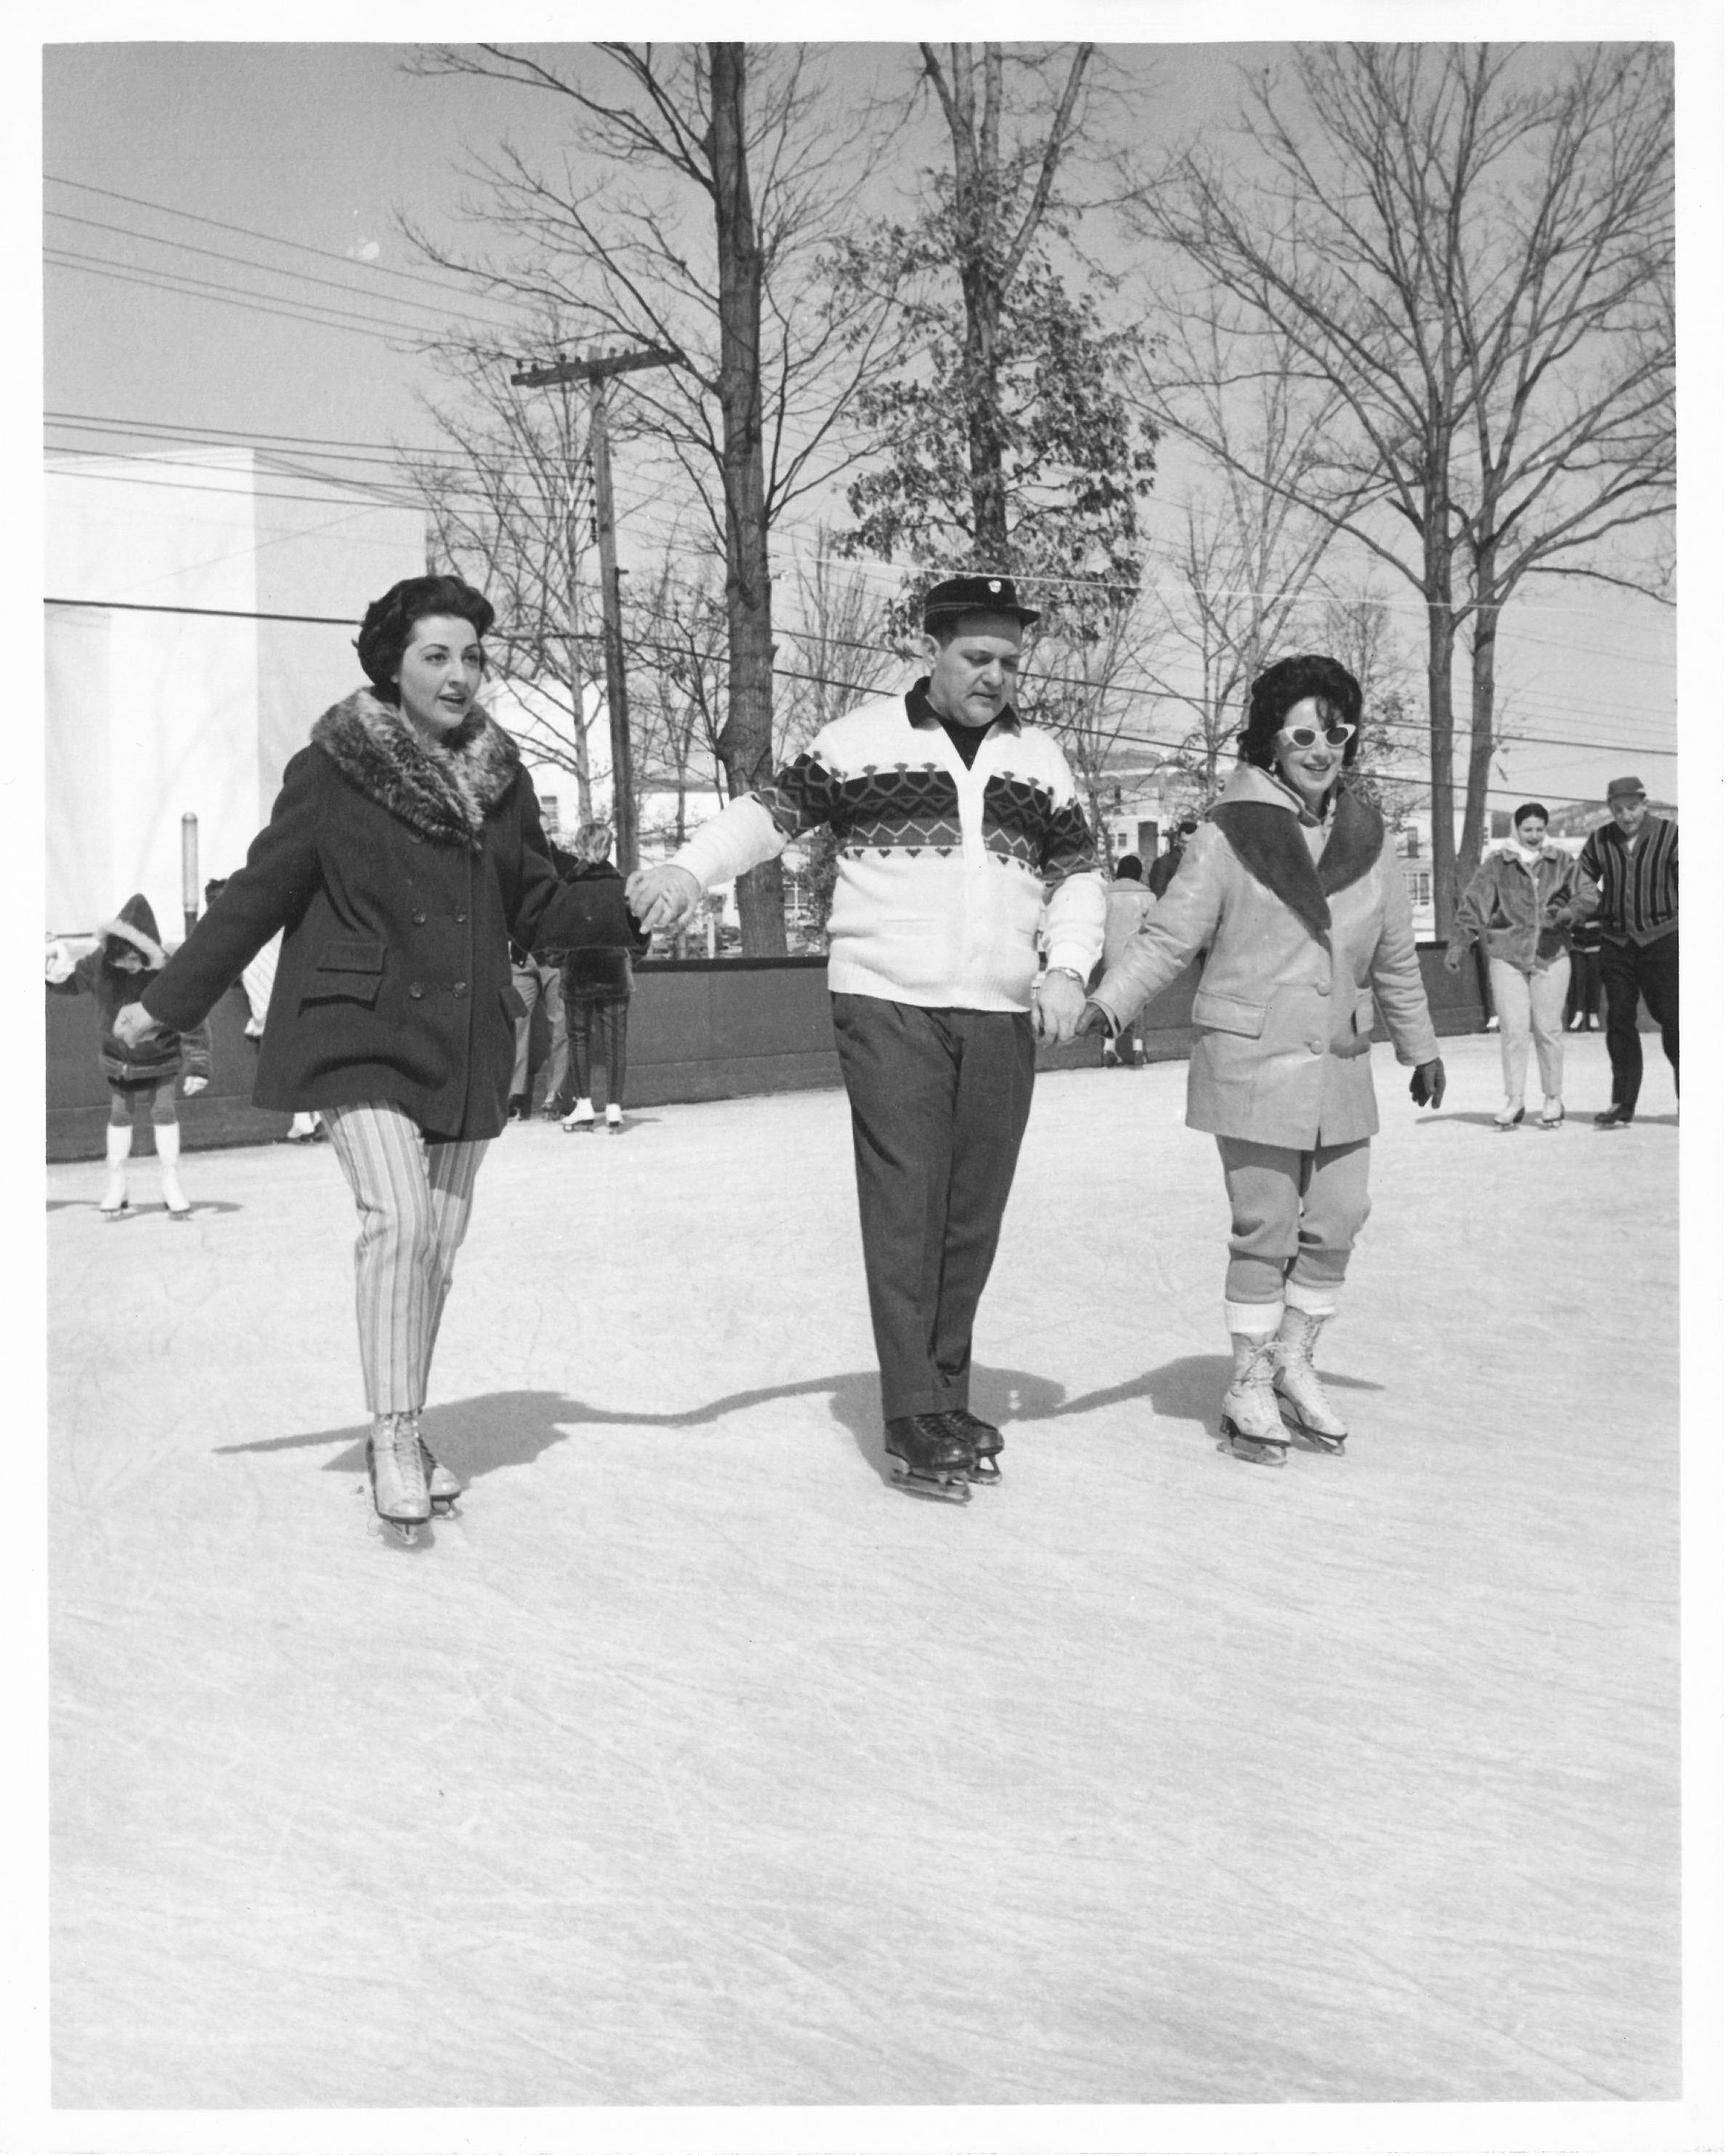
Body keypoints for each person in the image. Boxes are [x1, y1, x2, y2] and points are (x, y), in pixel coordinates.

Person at [113, 573, 591, 1541]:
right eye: (436, 656)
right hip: (356, 1026)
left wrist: (627, 907)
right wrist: (163, 1006)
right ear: (392, 664)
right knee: (399, 1219)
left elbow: (536, 899)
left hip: (465, 1034)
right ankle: (394, 1433)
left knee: (440, 1245)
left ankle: (406, 1430)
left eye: (472, 657)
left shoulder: (501, 777)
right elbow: (261, 890)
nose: (460, 676)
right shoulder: (335, 766)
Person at [628, 572, 1106, 1503]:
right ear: (932, 649)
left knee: (971, 1215)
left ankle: (946, 1396)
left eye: (1010, 660)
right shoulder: (856, 743)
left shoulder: (1041, 760)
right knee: (906, 1207)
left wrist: (1067, 965)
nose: (996, 675)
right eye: (977, 656)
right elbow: (765, 817)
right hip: (887, 1000)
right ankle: (908, 1412)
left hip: (1001, 1009)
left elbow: (1079, 872)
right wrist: (689, 873)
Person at [1073, 653, 1445, 1468]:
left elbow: (1393, 959)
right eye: (1303, 733)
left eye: (1335, 732)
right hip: (1251, 1057)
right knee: (1266, 1226)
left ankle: (1294, 1362)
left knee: (1339, 1217)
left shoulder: (1369, 838)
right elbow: (1170, 936)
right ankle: (1246, 1381)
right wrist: (1110, 1001)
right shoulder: (1226, 833)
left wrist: (1418, 1046)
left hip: (1339, 1056)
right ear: (1272, 740)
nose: (1321, 748)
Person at [46, 894, 211, 1218]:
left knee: (164, 1111)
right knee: (120, 1114)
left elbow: (192, 1015)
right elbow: (74, 983)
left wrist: (198, 1065)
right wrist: (51, 977)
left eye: (135, 962)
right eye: (122, 963)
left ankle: (170, 1181)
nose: (129, 968)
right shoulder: (99, 963)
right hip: (119, 1059)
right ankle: (117, 1183)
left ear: (148, 951)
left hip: (161, 1057)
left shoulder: (168, 969)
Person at [1443, 803, 1597, 1130]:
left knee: (1548, 1029)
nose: (1534, 836)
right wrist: (1460, 942)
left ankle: (1553, 1097)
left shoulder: (1562, 862)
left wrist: (1567, 914)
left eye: (1539, 829)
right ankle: (1514, 1099)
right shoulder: (1497, 864)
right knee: (1513, 1031)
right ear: (1516, 829)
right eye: (1527, 830)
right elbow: (1474, 905)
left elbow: (1588, 895)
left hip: (1551, 954)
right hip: (1507, 955)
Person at [1574, 776, 1678, 1128]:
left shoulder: (1670, 835)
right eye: (1618, 809)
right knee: (1619, 1020)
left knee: (1675, 1020)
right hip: (1617, 944)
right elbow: (1581, 879)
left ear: (1644, 804)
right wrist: (1584, 905)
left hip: (1664, 940)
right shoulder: (1600, 840)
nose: (1626, 815)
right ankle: (1622, 1102)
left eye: (1632, 807)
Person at [557, 820, 646, 1135]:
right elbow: (640, 929)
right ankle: (613, 1107)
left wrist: (559, 959)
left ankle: (583, 1106)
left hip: (578, 970)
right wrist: (629, 958)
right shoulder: (623, 885)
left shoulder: (566, 885)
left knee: (578, 1038)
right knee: (615, 1040)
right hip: (614, 970)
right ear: (609, 848)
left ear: (580, 847)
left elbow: (553, 930)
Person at [507, 837, 579, 1119]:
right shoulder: (513, 864)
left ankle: (556, 1094)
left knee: (561, 1025)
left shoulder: (568, 866)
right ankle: (514, 1095)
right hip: (521, 957)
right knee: (515, 1023)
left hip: (555, 958)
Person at [1098, 856, 1159, 1068]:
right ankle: (1138, 1048)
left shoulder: (1105, 894)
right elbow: (1154, 928)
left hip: (1109, 955)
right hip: (1137, 955)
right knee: (1138, 1002)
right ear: (1139, 873)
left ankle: (1108, 1048)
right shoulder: (1148, 896)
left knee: (1108, 1000)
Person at [1563, 907, 1603, 1034]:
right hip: (1577, 943)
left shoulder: (1600, 890)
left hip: (1596, 942)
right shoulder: (1575, 889)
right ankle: (1578, 1012)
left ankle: (1593, 1014)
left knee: (1594, 980)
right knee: (1577, 979)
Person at [1149, 817, 1197, 899]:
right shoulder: (1163, 863)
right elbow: (1158, 894)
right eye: (1183, 842)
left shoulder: (1202, 862)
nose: (1187, 847)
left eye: (1192, 843)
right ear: (1177, 840)